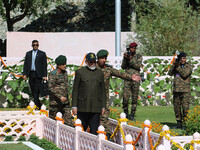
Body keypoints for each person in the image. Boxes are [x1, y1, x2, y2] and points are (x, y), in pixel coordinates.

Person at [96, 49, 141, 138]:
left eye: (105, 58)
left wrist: (131, 77)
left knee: (104, 117)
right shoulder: (93, 68)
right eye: (102, 58)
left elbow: (120, 73)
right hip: (93, 98)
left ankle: (107, 135)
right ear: (98, 59)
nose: (104, 60)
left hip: (104, 99)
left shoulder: (108, 69)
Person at [72, 52, 106, 135]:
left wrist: (103, 106)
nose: (93, 63)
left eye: (94, 61)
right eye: (91, 62)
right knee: (81, 131)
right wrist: (74, 106)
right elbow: (75, 90)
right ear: (86, 62)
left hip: (95, 108)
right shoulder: (80, 72)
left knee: (94, 132)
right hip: (83, 107)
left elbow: (103, 91)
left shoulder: (100, 73)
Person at [168, 52, 193, 129]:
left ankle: (185, 123)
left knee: (185, 108)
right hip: (176, 90)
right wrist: (174, 65)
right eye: (181, 58)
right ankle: (179, 123)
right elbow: (169, 73)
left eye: (184, 58)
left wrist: (178, 67)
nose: (183, 60)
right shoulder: (176, 66)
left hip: (185, 91)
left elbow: (184, 74)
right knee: (177, 108)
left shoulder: (188, 66)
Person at [48, 55, 74, 126]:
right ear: (58, 65)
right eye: (63, 64)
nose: (65, 66)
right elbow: (50, 88)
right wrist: (60, 97)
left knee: (69, 121)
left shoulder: (65, 73)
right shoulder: (53, 74)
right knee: (53, 122)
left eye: (65, 64)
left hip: (65, 102)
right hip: (55, 103)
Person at [121, 42, 143, 120]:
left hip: (136, 78)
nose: (133, 49)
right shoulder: (127, 56)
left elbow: (138, 66)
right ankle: (126, 113)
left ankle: (132, 114)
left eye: (134, 48)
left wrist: (131, 59)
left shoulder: (138, 56)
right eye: (131, 48)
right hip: (127, 78)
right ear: (129, 48)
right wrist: (125, 58)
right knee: (125, 97)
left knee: (134, 97)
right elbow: (123, 67)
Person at [23, 40, 47, 109]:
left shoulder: (42, 54)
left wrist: (45, 75)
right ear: (32, 46)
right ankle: (38, 105)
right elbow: (26, 64)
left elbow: (44, 65)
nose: (35, 46)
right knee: (33, 90)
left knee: (37, 90)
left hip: (38, 75)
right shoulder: (28, 54)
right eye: (34, 45)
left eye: (36, 45)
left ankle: (36, 105)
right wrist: (25, 74)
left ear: (38, 45)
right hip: (31, 74)